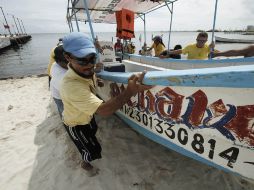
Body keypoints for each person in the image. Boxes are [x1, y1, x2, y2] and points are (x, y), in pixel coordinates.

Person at [60, 32, 152, 176]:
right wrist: (129, 92)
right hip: (75, 123)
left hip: (87, 116)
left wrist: (97, 80)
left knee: (93, 133)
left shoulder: (84, 71)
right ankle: (85, 164)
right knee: (90, 150)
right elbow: (103, 111)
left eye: (92, 58)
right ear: (67, 57)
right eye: (83, 61)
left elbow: (91, 74)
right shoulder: (70, 85)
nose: (90, 65)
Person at [49, 45, 68, 116]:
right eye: (67, 60)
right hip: (59, 96)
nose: (71, 62)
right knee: (64, 112)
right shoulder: (61, 75)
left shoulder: (55, 64)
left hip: (58, 90)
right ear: (59, 61)